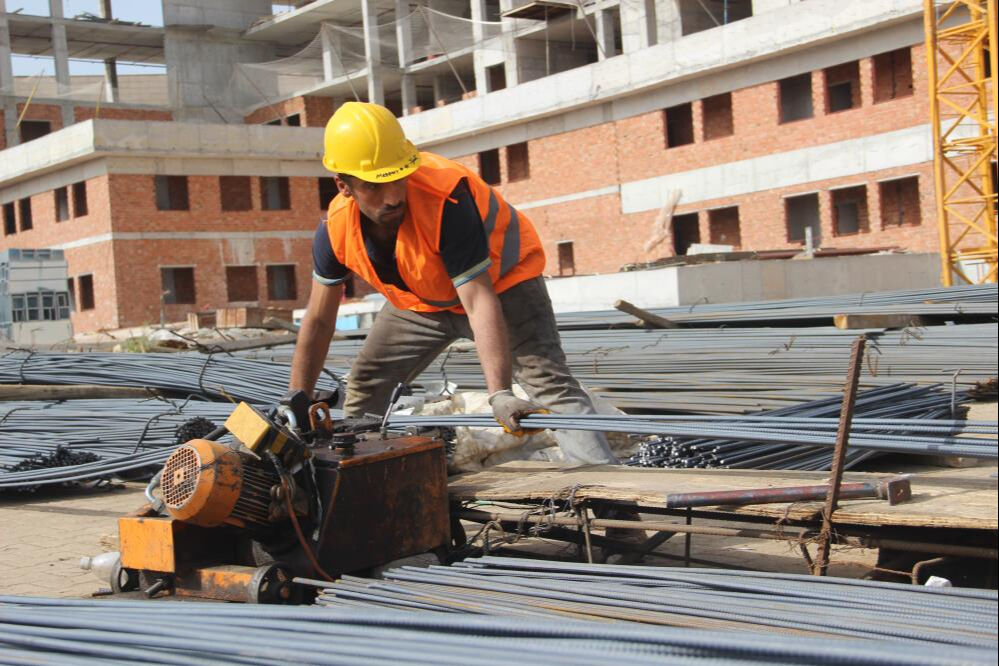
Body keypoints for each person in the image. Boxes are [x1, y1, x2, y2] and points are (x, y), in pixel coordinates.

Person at [288, 101, 617, 466]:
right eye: (375, 186)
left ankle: (614, 508)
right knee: (367, 385)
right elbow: (318, 321)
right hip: (424, 306)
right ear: (343, 185)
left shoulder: (447, 199)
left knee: (552, 388)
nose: (394, 195)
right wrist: (298, 401)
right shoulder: (334, 230)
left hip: (505, 287)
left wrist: (500, 393)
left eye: (398, 178)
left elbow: (478, 299)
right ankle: (362, 485)